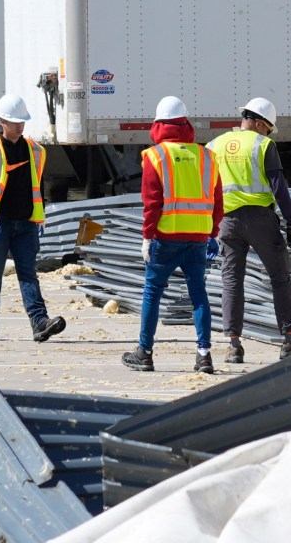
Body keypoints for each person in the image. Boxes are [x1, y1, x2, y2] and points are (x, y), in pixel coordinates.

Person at [123, 95, 221, 374]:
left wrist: (147, 236)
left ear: (158, 125)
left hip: (165, 238)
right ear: (186, 124)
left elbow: (152, 202)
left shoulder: (156, 156)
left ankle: (145, 352)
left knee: (152, 293)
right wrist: (212, 233)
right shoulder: (206, 156)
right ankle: (204, 355)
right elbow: (218, 201)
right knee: (199, 295)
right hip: (198, 240)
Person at [209, 96, 291, 362]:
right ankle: (290, 342)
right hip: (261, 220)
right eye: (269, 128)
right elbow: (278, 185)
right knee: (280, 277)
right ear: (261, 124)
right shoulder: (263, 145)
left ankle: (233, 346)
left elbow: (207, 185)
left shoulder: (215, 144)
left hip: (227, 222)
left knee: (231, 281)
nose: (269, 133)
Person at [0, 93, 67, 343]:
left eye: (22, 121)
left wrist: (40, 215)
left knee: (28, 274)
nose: (19, 125)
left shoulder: (35, 150)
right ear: (2, 120)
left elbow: (36, 185)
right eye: (15, 121)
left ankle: (40, 323)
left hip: (26, 222)